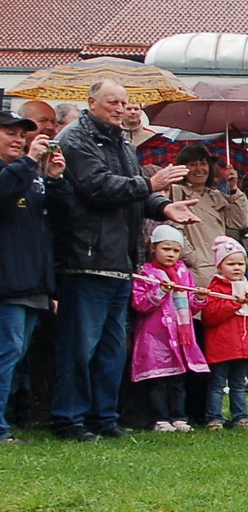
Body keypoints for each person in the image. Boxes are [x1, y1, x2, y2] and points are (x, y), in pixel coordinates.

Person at [50, 81, 197, 441]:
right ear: (91, 103)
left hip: (121, 262)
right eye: (113, 102)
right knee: (80, 347)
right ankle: (69, 418)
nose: (120, 108)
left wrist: (163, 207)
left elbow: (132, 194)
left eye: (124, 102)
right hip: (86, 259)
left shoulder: (121, 142)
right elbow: (97, 187)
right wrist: (150, 186)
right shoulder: (75, 139)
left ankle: (104, 417)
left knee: (112, 348)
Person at [0, 111, 67, 442]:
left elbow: (54, 222)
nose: (18, 138)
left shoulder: (31, 174)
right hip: (6, 286)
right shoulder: (15, 172)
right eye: (9, 132)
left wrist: (54, 180)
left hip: (32, 284)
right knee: (5, 354)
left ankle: (9, 421)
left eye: (21, 133)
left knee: (15, 357)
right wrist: (29, 162)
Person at [130, 225, 208, 432]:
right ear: (153, 248)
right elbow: (139, 304)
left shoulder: (184, 273)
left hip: (182, 338)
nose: (170, 254)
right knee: (158, 381)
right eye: (166, 249)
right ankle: (160, 418)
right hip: (156, 338)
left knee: (178, 381)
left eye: (175, 250)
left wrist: (199, 299)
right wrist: (159, 292)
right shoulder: (146, 274)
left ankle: (179, 416)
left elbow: (189, 308)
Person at [201, 236, 248, 428]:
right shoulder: (215, 288)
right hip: (222, 346)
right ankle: (214, 417)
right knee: (217, 384)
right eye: (231, 263)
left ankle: (241, 417)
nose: (237, 268)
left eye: (241, 263)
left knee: (239, 384)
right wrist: (233, 303)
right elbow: (210, 315)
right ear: (220, 265)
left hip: (244, 347)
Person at [165, 141, 248, 286]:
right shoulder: (176, 192)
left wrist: (234, 188)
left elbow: (239, 222)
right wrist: (193, 258)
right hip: (195, 270)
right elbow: (174, 229)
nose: (199, 169)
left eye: (203, 163)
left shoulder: (215, 195)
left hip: (220, 267)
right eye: (192, 164)